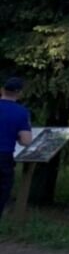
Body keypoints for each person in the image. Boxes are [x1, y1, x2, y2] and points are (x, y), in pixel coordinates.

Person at [0, 77, 33, 223]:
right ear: (19, 93)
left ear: (2, 90)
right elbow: (26, 141)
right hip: (4, 157)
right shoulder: (21, 112)